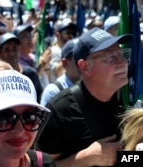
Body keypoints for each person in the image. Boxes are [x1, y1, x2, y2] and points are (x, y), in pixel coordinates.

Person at [35, 27, 133, 166]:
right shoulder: (61, 110)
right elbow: (38, 165)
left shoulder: (126, 100)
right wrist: (84, 159)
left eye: (123, 54)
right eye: (111, 57)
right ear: (85, 67)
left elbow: (129, 159)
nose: (123, 63)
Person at [0, 32, 43, 101]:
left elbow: (39, 99)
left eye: (14, 48)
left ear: (19, 49)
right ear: (0, 53)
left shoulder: (31, 74)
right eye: (7, 50)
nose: (11, 53)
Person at [40, 38, 80, 106]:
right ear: (65, 63)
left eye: (86, 57)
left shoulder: (93, 86)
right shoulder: (53, 91)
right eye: (78, 58)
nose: (83, 63)